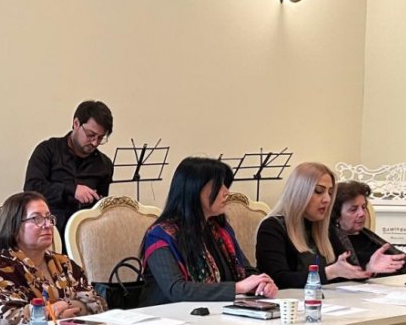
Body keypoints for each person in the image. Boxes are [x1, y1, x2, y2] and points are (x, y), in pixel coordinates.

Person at [139, 157, 277, 306]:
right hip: (167, 315)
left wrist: (260, 283)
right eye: (218, 185)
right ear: (194, 190)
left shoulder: (220, 230)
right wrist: (237, 288)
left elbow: (245, 270)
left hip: (215, 311)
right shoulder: (159, 236)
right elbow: (177, 290)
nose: (226, 192)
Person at [0, 191, 106, 325]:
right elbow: (1, 320)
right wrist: (51, 313)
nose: (48, 224)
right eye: (36, 219)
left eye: (49, 218)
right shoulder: (1, 269)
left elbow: (98, 303)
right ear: (14, 228)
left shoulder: (64, 263)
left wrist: (66, 305)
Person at [256, 163, 371, 288]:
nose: (327, 199)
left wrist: (369, 268)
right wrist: (328, 273)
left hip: (326, 298)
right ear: (300, 193)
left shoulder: (325, 228)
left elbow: (346, 270)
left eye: (330, 193)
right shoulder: (272, 227)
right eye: (319, 191)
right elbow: (278, 279)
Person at [24, 100, 114, 238]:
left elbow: (101, 208)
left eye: (100, 138)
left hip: (85, 236)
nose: (95, 142)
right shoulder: (47, 150)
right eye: (90, 135)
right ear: (76, 123)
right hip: (47, 230)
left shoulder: (104, 164)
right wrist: (72, 189)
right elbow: (31, 188)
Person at [332, 180, 406, 276]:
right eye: (353, 209)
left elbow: (405, 263)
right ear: (336, 215)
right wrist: (368, 270)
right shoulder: (331, 243)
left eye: (363, 207)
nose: (362, 214)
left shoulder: (367, 236)